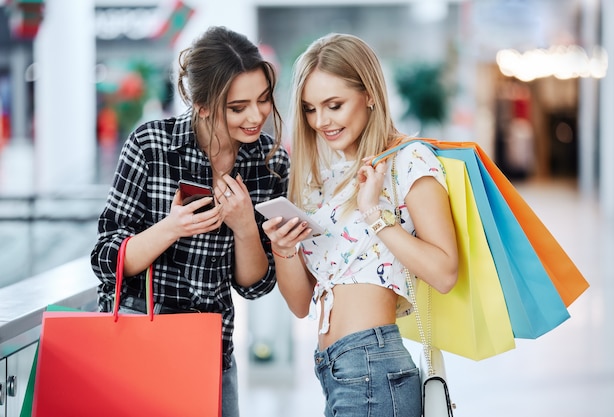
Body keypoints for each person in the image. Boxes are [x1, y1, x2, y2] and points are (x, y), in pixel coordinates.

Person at [91, 26, 290, 417]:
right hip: (135, 345)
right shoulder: (151, 146)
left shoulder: (271, 162)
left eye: (263, 100)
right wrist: (173, 227)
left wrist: (246, 226)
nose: (256, 116)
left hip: (211, 351)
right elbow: (105, 260)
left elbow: (255, 287)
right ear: (201, 105)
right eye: (238, 107)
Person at [262, 33, 458, 417]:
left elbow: (445, 271)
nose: (321, 122)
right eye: (310, 109)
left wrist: (373, 213)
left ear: (369, 94)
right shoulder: (325, 180)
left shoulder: (407, 161)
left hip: (372, 364)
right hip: (333, 369)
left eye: (334, 105)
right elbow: (301, 305)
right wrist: (283, 248)